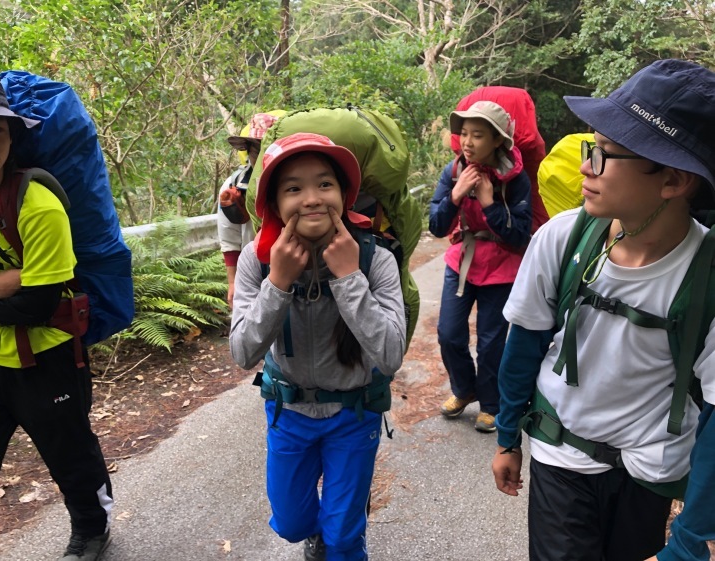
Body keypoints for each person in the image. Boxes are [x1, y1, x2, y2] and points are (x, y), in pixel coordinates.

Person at [491, 59, 715, 561]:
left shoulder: (707, 273)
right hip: (560, 453)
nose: (584, 167)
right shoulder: (561, 238)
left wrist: (689, 539)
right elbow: (523, 346)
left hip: (650, 473)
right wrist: (508, 437)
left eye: (603, 154)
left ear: (675, 181)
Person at [229, 132, 406, 561]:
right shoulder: (258, 259)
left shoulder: (375, 259)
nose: (311, 199)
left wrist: (348, 279)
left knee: (343, 538)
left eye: (324, 184)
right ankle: (319, 532)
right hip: (289, 413)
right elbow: (243, 352)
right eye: (294, 188)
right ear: (273, 202)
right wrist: (279, 281)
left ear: (344, 196)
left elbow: (390, 354)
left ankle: (339, 537)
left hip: (354, 412)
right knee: (291, 524)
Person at [0, 68, 112, 561]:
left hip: (48, 358)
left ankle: (92, 529)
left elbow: (40, 303)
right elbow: (22, 292)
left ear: (12, 137)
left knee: (70, 458)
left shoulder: (37, 201)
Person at [429, 100, 532, 432]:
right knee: (448, 333)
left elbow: (519, 236)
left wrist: (489, 203)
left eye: (478, 135)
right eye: (465, 134)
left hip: (502, 267)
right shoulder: (454, 171)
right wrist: (455, 196)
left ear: (498, 140)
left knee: (491, 342)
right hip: (461, 262)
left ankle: (491, 404)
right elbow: (436, 225)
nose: (468, 142)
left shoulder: (516, 179)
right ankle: (464, 388)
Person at [219, 112, 281, 307]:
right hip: (253, 271)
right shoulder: (234, 186)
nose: (263, 156)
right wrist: (233, 282)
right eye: (257, 150)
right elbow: (229, 237)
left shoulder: (295, 184)